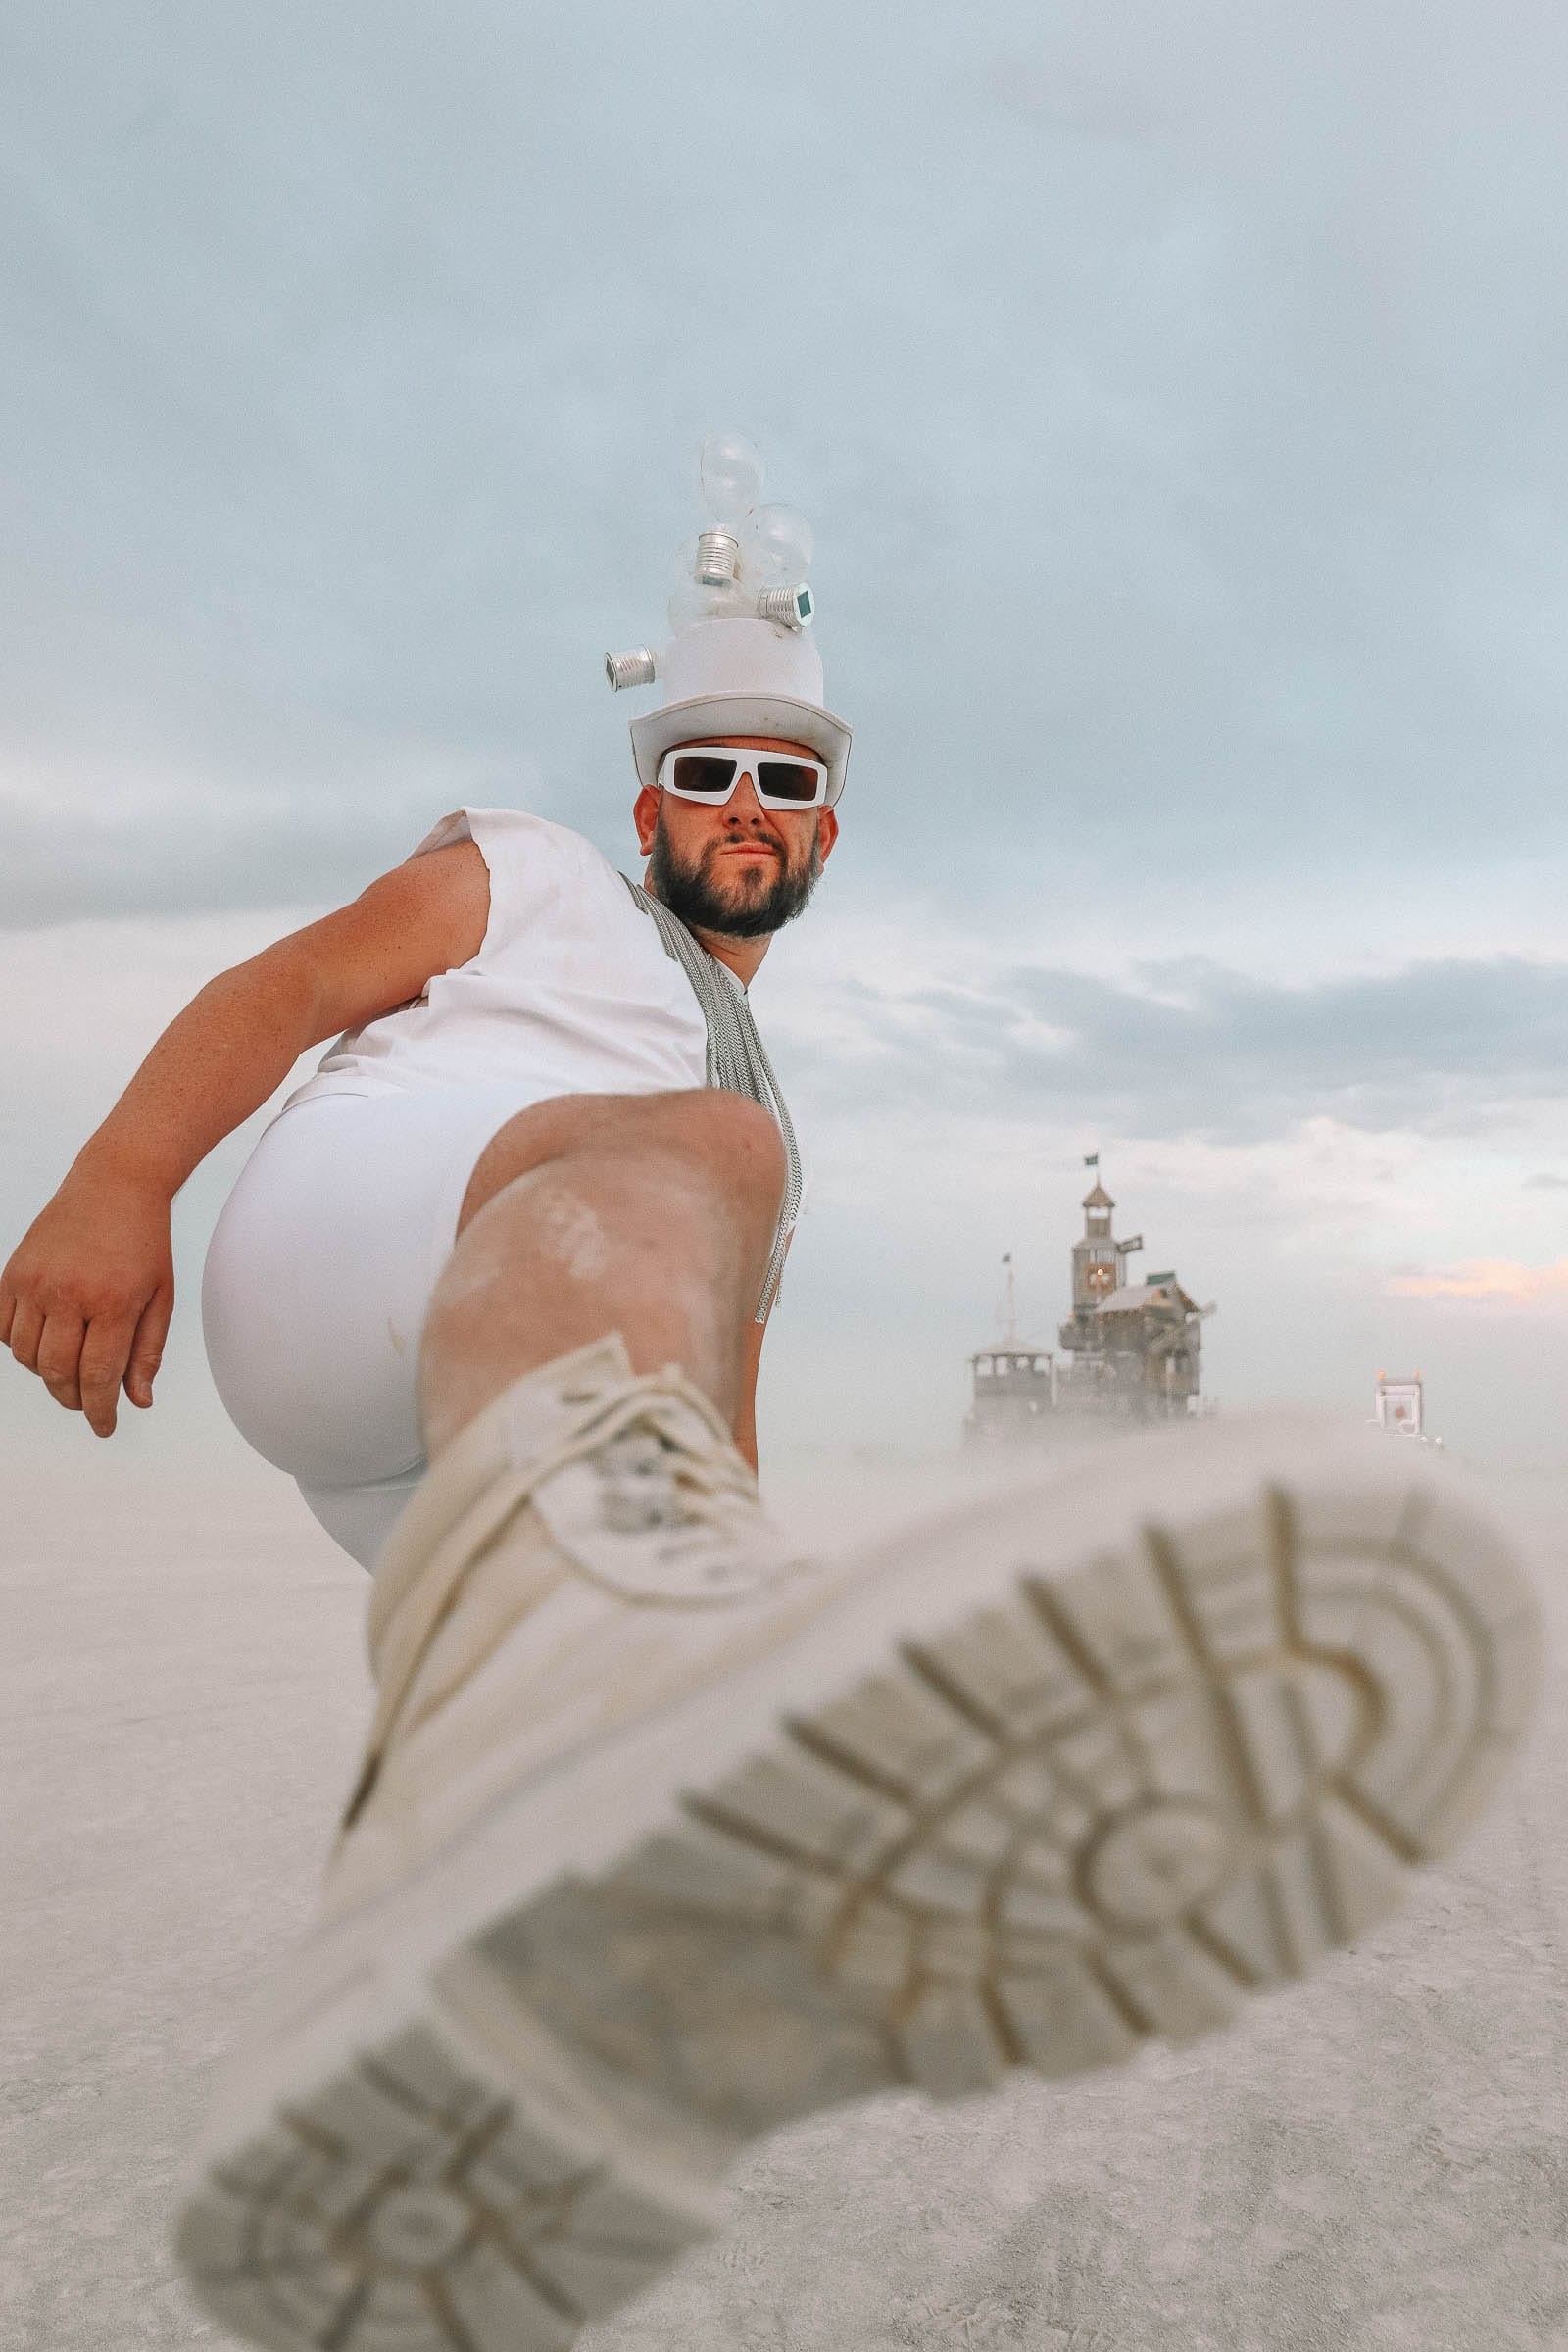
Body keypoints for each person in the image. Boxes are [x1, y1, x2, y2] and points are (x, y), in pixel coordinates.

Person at [1, 487, 1543, 2352]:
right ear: (652, 805)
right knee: (702, 1188)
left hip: (449, 1422)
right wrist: (117, 1180)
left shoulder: (764, 1143)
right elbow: (294, 986)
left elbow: (706, 1401)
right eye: (713, 769)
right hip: (362, 1233)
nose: (749, 803)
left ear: (825, 831)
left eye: (788, 782)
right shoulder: (540, 878)